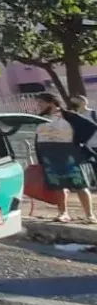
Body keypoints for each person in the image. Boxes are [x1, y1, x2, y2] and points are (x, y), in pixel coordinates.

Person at [38, 93, 96, 224]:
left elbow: (90, 127)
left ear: (51, 103)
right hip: (50, 157)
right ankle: (63, 213)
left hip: (69, 155)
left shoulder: (69, 116)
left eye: (41, 102)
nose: (39, 106)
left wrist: (78, 142)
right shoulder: (41, 118)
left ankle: (90, 215)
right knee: (57, 186)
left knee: (80, 184)